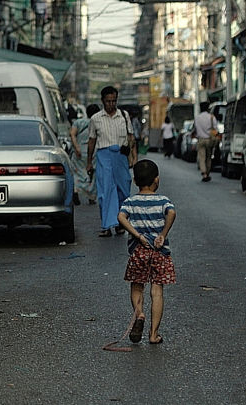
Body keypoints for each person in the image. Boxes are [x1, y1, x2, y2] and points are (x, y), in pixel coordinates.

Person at [118, 160, 176, 345]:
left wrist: (137, 235)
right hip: (159, 253)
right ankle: (153, 334)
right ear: (156, 180)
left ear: (135, 181)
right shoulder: (163, 200)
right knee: (157, 291)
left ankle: (140, 314)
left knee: (137, 286)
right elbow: (172, 213)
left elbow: (121, 217)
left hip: (138, 252)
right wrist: (162, 234)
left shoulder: (131, 201)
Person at [86, 86, 136, 238]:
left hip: (120, 156)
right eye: (108, 101)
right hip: (104, 155)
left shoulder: (124, 116)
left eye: (114, 101)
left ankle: (121, 223)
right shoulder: (96, 119)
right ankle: (107, 226)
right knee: (105, 191)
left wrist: (133, 156)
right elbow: (91, 141)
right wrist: (89, 162)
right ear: (102, 101)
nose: (111, 104)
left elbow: (131, 137)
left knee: (123, 191)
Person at [66, 105, 98, 205]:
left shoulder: (79, 122)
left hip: (78, 154)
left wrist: (76, 147)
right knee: (91, 176)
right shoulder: (97, 124)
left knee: (77, 173)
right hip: (92, 154)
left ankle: (76, 191)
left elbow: (72, 134)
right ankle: (91, 196)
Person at [193, 102, 218, 182]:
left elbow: (195, 129)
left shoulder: (197, 118)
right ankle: (207, 172)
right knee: (208, 157)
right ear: (208, 108)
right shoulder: (211, 117)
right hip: (209, 140)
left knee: (202, 157)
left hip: (200, 139)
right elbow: (215, 129)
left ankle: (204, 174)